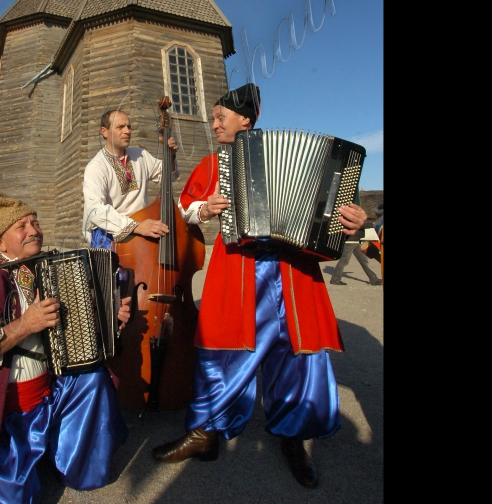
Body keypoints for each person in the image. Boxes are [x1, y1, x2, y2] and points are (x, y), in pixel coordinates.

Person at [150, 83, 368, 489]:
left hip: (292, 272)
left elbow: (335, 216)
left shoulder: (316, 162)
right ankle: (205, 434)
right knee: (221, 352)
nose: (214, 123)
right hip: (239, 268)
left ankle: (293, 438)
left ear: (245, 119)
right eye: (214, 117)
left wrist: (352, 222)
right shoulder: (215, 164)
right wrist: (205, 206)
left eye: (221, 117)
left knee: (297, 359)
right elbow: (186, 207)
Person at [0, 191, 131, 504]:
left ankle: (75, 460)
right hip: (10, 412)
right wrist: (26, 324)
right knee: (19, 498)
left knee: (94, 378)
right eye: (21, 226)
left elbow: (79, 324)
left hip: (50, 395)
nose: (33, 230)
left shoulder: (49, 267)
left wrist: (109, 317)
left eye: (34, 222)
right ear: (0, 242)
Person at [82, 109, 179, 249]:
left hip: (142, 229)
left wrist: (171, 155)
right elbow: (95, 211)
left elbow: (168, 175)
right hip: (110, 233)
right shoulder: (96, 167)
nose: (127, 131)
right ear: (104, 131)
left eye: (129, 126)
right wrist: (137, 226)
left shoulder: (141, 155)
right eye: (120, 127)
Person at [330, 215, 382, 286]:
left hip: (356, 241)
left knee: (364, 261)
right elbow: (360, 226)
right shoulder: (348, 219)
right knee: (344, 261)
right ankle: (335, 279)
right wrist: (372, 224)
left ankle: (374, 279)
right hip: (350, 242)